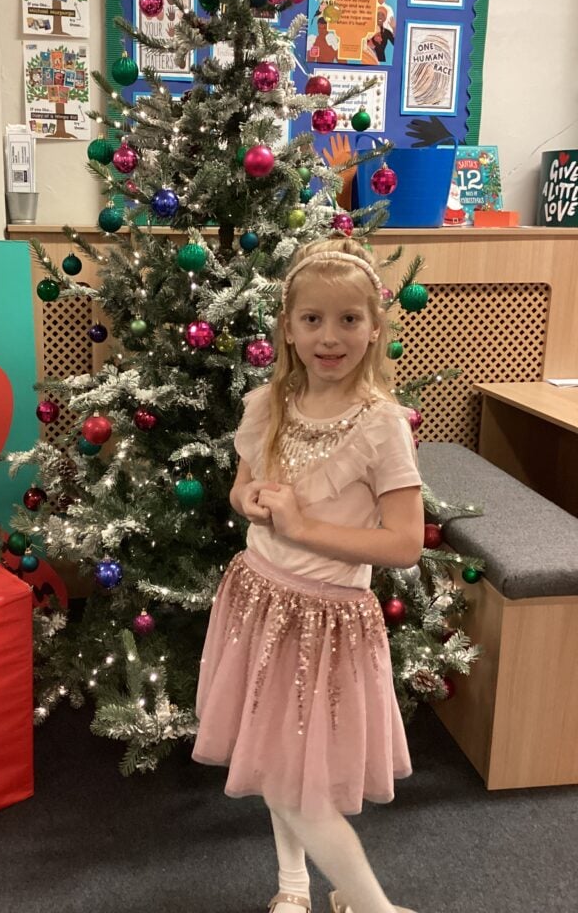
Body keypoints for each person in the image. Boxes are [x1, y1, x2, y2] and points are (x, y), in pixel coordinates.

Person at [192, 239, 425, 913]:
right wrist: (253, 503)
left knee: (304, 786)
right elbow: (241, 489)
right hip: (258, 598)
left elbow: (405, 543)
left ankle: (373, 908)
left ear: (375, 328)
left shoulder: (383, 427)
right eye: (313, 319)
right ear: (288, 329)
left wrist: (301, 529)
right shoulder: (268, 404)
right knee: (274, 758)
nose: (331, 336)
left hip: (326, 621)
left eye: (349, 320)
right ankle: (293, 884)